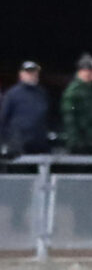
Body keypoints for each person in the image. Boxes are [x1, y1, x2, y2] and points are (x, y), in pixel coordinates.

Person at [60, 54, 92, 236]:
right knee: (81, 191)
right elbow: (81, 121)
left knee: (89, 190)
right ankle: (81, 226)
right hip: (81, 147)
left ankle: (87, 224)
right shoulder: (74, 92)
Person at [1, 61, 51, 231]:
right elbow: (3, 120)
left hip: (39, 146)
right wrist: (7, 143)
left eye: (35, 72)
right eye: (29, 72)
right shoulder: (12, 94)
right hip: (19, 148)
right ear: (21, 74)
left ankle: (41, 221)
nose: (32, 75)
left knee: (42, 186)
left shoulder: (41, 93)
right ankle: (17, 220)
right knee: (21, 189)